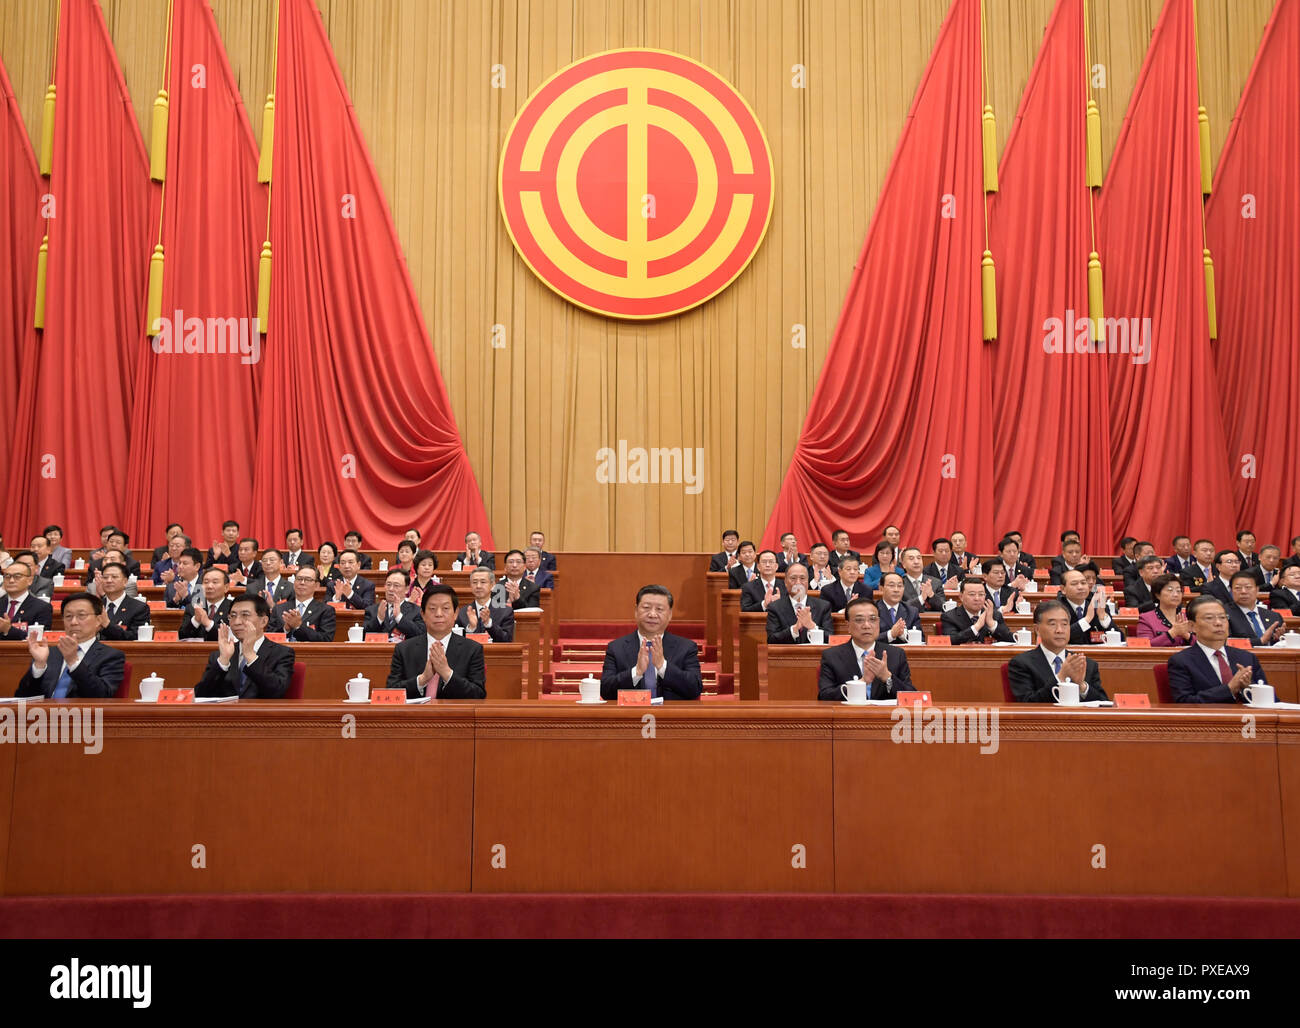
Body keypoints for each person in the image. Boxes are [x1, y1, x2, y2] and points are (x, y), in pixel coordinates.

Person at [599, 585, 702, 701]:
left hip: (671, 716)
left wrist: (663, 666)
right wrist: (636, 672)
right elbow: (605, 691)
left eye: (659, 609)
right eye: (646, 607)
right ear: (636, 611)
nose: (652, 614)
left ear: (670, 615)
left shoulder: (686, 647)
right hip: (631, 716)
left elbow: (695, 689)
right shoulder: (616, 648)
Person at [15, 592, 124, 698]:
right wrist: (39, 666)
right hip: (45, 714)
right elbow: (22, 697)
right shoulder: (49, 653)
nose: (73, 622)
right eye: (68, 616)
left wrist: (73, 662)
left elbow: (102, 695)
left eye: (81, 615)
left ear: (98, 620)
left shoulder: (111, 656)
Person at [387, 584, 487, 699]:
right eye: (432, 609)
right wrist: (422, 679)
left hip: (454, 716)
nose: (439, 614)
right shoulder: (404, 649)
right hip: (414, 715)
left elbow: (478, 695)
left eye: (445, 608)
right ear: (423, 614)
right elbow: (391, 691)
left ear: (455, 614)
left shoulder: (472, 649)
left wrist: (447, 674)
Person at [1167, 596, 1267, 703]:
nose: (1219, 623)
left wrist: (1249, 689)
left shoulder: (1247, 658)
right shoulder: (1181, 661)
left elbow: (1270, 700)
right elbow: (1184, 702)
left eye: (1223, 617)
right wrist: (1229, 689)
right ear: (1192, 626)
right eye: (1209, 618)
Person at [195, 594, 295, 699]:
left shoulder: (282, 653)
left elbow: (277, 692)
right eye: (232, 616)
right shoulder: (221, 654)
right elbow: (201, 695)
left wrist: (250, 656)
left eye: (245, 615)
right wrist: (223, 661)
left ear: (263, 621)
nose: (237, 622)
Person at [1007, 600, 1106, 702]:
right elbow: (1027, 703)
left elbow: (1103, 703)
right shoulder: (1021, 664)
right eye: (1052, 624)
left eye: (1064, 624)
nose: (1059, 630)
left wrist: (1082, 686)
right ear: (1037, 629)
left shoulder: (1085, 664)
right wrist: (1061, 677)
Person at [816, 596, 914, 700]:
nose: (867, 625)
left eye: (872, 619)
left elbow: (911, 696)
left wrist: (887, 677)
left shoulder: (896, 654)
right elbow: (824, 697)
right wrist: (862, 682)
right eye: (859, 620)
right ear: (848, 625)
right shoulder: (832, 656)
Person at [765, 564, 832, 643]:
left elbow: (830, 638)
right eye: (793, 578)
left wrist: (812, 627)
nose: (798, 582)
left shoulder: (823, 606)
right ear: (785, 582)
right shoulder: (775, 607)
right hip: (786, 653)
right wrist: (795, 629)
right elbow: (771, 640)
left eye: (802, 578)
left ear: (808, 581)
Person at [271, 565, 337, 643]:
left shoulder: (326, 610)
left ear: (316, 586)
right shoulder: (279, 608)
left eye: (308, 580)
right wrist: (286, 629)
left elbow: (326, 640)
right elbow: (269, 638)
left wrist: (298, 627)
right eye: (299, 579)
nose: (302, 583)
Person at [941, 577, 1013, 644]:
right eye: (972, 594)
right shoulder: (949, 617)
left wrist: (992, 625)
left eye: (981, 594)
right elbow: (951, 641)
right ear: (961, 597)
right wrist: (977, 626)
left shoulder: (994, 615)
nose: (977, 598)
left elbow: (1011, 640)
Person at [364, 569, 426, 642]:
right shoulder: (372, 610)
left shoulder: (416, 611)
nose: (391, 589)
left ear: (407, 589)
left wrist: (399, 617)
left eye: (396, 585)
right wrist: (379, 619)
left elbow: (420, 635)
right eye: (388, 584)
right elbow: (363, 635)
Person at [1225, 571, 1284, 646]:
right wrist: (1260, 641)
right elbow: (1226, 642)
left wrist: (1278, 638)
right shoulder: (1223, 614)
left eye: (1248, 587)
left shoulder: (1274, 616)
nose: (1243, 591)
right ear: (1231, 591)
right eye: (1238, 588)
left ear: (1257, 590)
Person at [455, 567, 514, 642]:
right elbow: (458, 642)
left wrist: (489, 624)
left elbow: (507, 640)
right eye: (474, 582)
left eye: (483, 582)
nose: (478, 586)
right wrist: (471, 629)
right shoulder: (463, 612)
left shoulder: (505, 611)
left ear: (492, 585)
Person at [97, 563, 152, 640]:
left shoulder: (139, 608)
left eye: (114, 577)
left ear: (125, 582)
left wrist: (107, 625)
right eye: (105, 577)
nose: (109, 580)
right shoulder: (95, 605)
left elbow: (135, 636)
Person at [0, 561, 54, 640]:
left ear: (30, 580)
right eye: (7, 576)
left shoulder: (42, 607)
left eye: (17, 576)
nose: (11, 580)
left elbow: (39, 638)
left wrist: (8, 630)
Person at [1135, 574, 1193, 646]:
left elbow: (1204, 645)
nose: (1176, 594)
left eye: (1179, 591)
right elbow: (1146, 646)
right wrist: (1173, 633)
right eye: (1170, 590)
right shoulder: (1146, 619)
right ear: (1157, 594)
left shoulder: (1188, 617)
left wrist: (1186, 635)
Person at [1058, 569, 1113, 644]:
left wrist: (1103, 617)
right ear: (1063, 589)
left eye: (1083, 583)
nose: (1080, 587)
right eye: (1074, 584)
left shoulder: (1099, 606)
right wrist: (1087, 619)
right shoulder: (1055, 609)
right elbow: (1060, 637)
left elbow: (1120, 638)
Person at [180, 568, 235, 641]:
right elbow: (182, 636)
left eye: (215, 582)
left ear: (226, 587)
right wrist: (195, 621)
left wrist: (208, 623)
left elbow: (233, 636)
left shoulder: (233, 608)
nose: (209, 586)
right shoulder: (192, 607)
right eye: (206, 582)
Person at [875, 571, 921, 644]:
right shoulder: (872, 610)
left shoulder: (912, 611)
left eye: (900, 586)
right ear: (881, 588)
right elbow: (866, 639)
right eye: (891, 586)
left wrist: (904, 635)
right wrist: (891, 634)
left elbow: (921, 639)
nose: (896, 590)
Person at [898, 547, 944, 612]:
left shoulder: (935, 582)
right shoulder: (899, 584)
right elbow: (899, 608)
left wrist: (931, 595)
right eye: (911, 558)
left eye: (919, 558)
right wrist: (921, 598)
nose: (916, 562)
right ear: (904, 564)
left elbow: (943, 607)